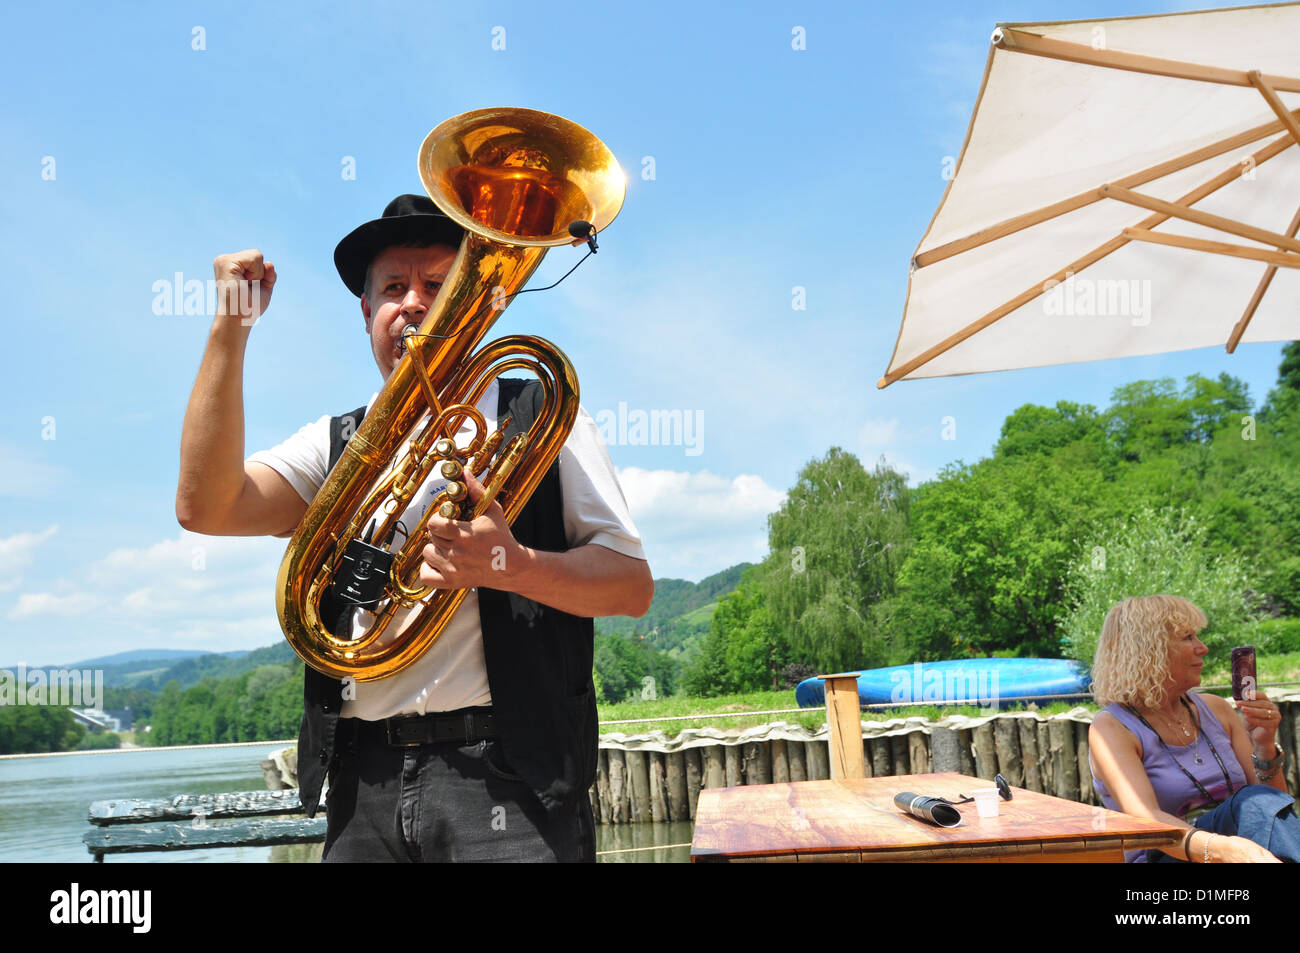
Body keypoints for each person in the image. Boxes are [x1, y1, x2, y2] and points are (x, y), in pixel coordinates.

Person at [176, 194, 654, 862]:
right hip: (362, 782)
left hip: (508, 781)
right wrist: (230, 325)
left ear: (478, 301)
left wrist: (514, 566)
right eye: (394, 288)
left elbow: (632, 587)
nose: (415, 303)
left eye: (438, 285)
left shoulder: (544, 414)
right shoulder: (335, 442)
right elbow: (206, 506)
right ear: (367, 313)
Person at [1087, 594, 1297, 863]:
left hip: (1242, 852)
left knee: (1256, 801)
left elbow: (1276, 805)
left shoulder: (1217, 709)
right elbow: (1147, 819)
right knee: (1252, 801)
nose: (1204, 648)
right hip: (1165, 855)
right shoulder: (1111, 728)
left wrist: (1265, 746)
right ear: (1149, 650)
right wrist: (1229, 850)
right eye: (1188, 638)